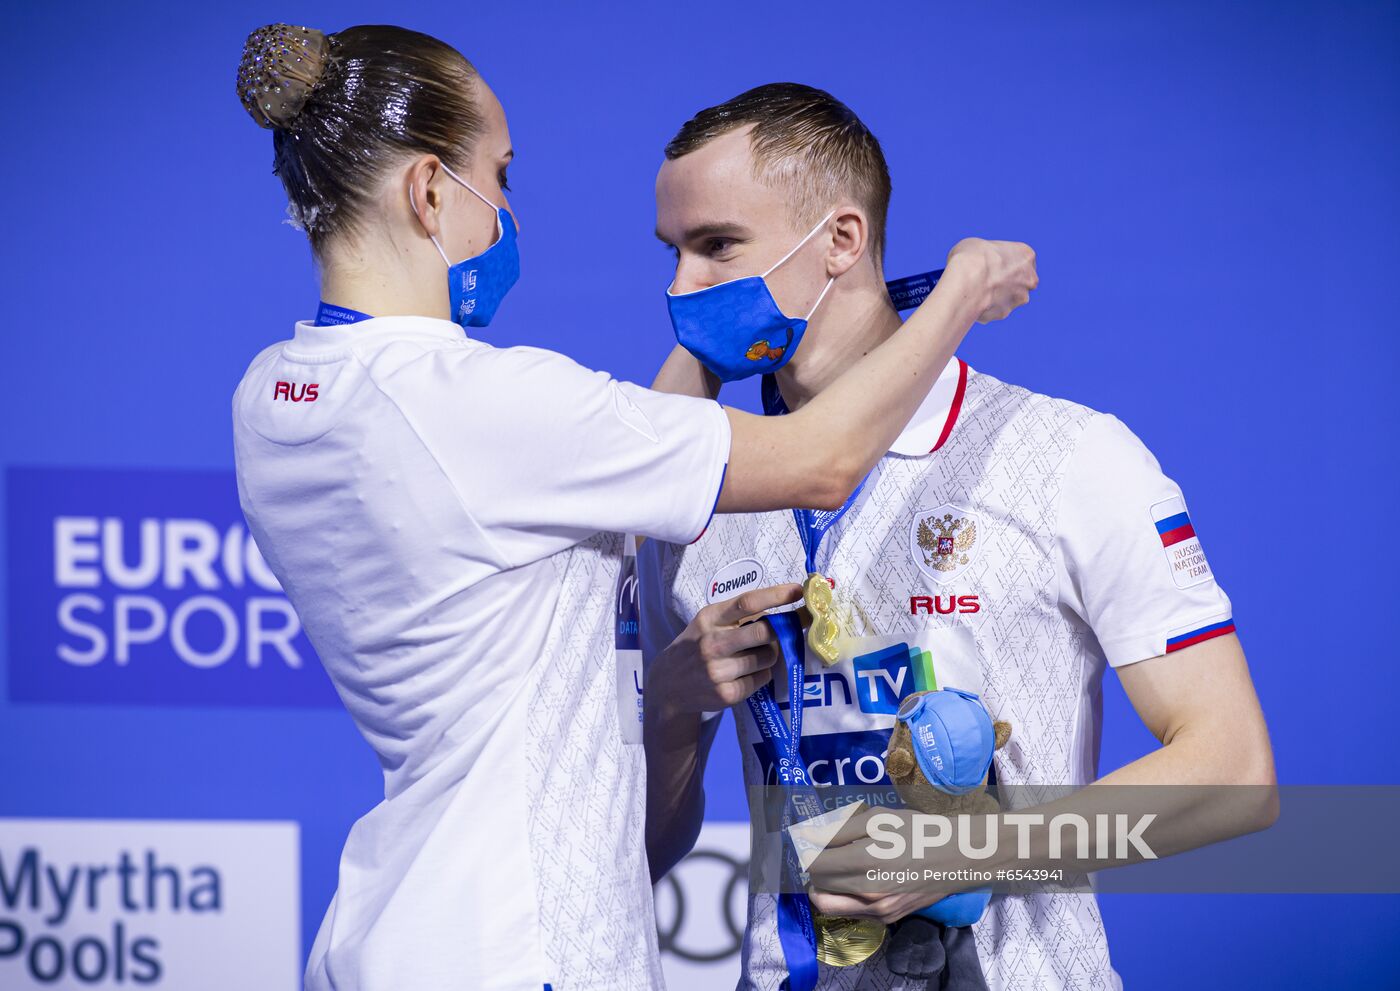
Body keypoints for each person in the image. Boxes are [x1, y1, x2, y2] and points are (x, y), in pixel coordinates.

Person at [230, 25, 1037, 991]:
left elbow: (613, 453)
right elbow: (821, 462)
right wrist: (961, 291)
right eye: (502, 177)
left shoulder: (273, 396)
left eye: (712, 248)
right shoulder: (482, 402)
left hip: (387, 929)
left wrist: (721, 327)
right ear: (431, 191)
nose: (507, 214)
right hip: (516, 946)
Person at [639, 83, 1276, 990]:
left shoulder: (1066, 456)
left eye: (717, 247)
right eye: (672, 253)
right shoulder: (698, 494)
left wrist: (964, 856)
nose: (680, 288)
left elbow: (1234, 771)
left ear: (841, 242)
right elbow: (642, 855)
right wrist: (669, 710)